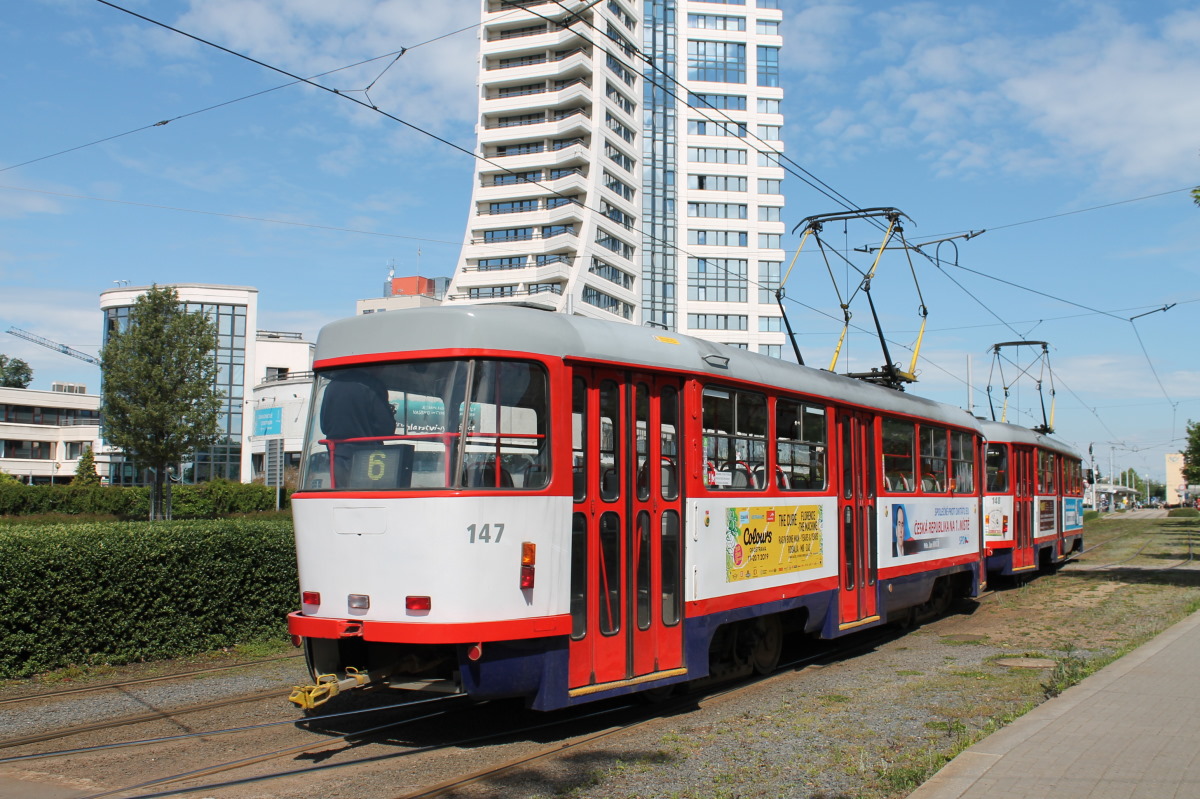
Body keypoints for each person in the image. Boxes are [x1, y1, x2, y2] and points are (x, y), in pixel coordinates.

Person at [319, 370, 396, 488]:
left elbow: (324, 426)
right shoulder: (372, 385)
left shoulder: (331, 386)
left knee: (341, 497)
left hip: (337, 454)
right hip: (369, 458)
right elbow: (385, 428)